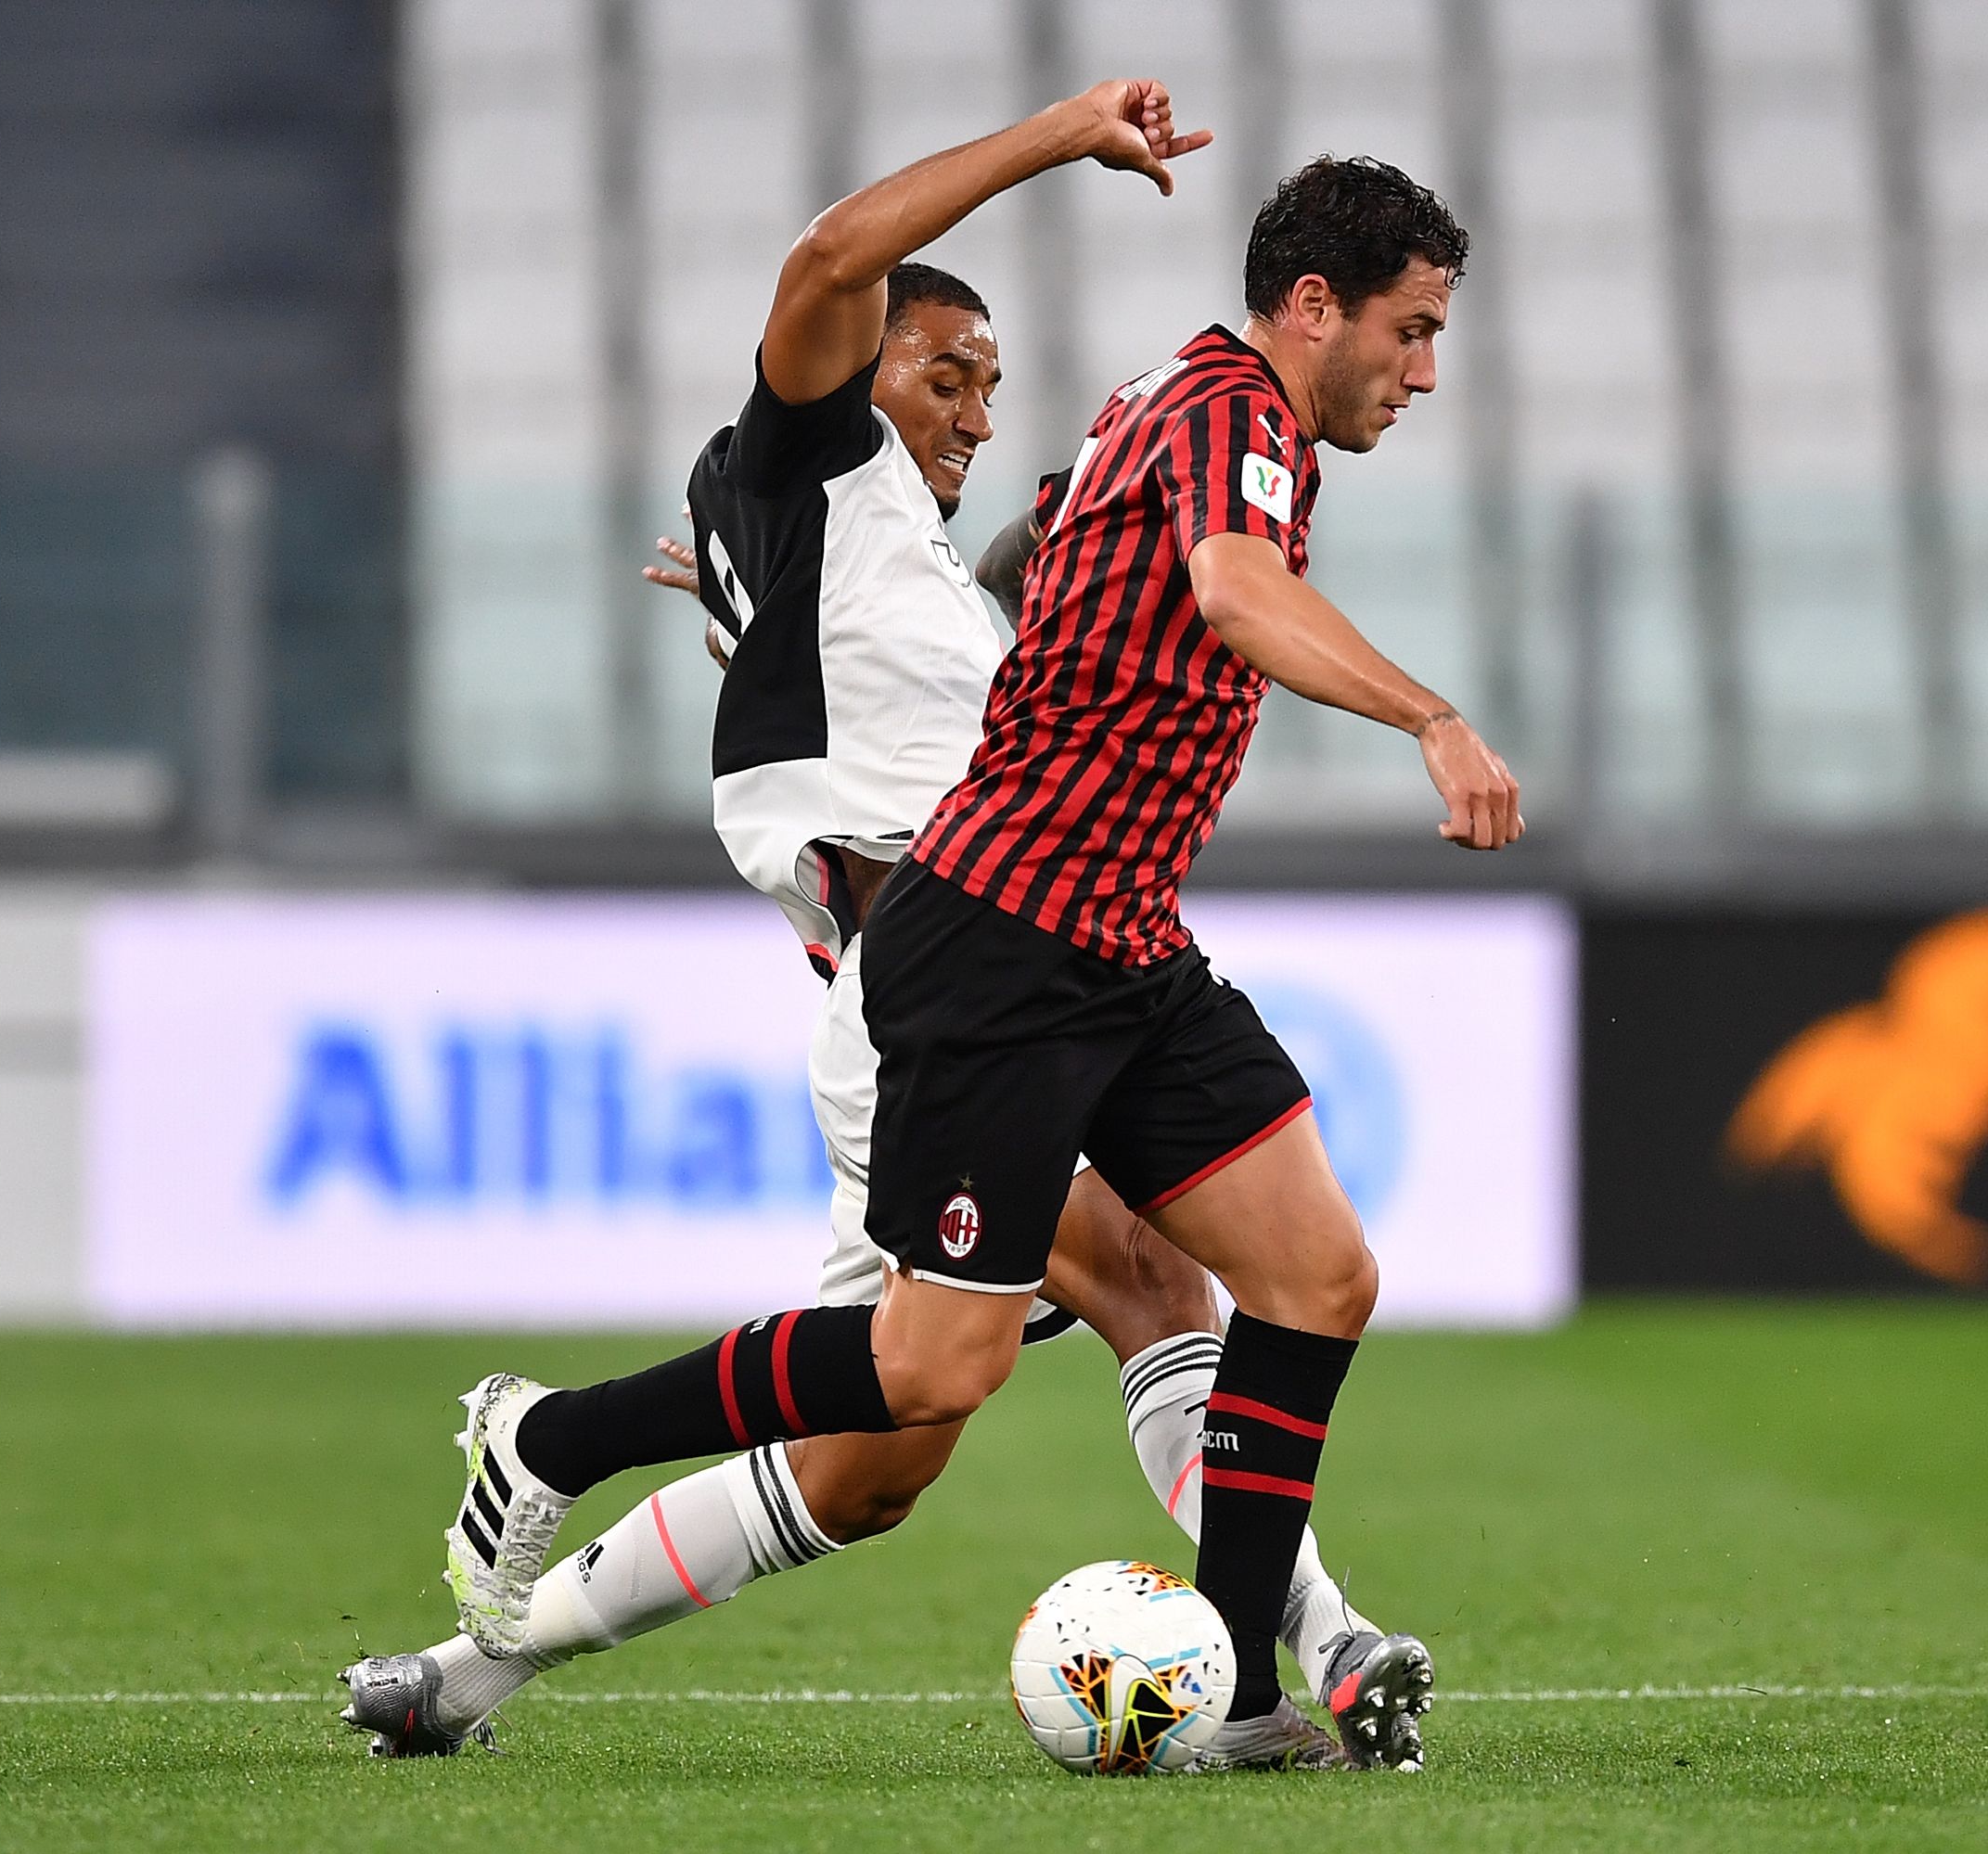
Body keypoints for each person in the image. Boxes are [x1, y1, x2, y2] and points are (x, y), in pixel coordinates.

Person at [402, 148, 1507, 1775]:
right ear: (1316, 304)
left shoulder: (1026, 499)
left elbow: (1059, 597)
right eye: (1411, 334)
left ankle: (1250, 1692)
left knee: (1292, 1284)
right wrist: (1432, 717)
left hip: (1116, 943)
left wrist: (776, 606)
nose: (980, 414)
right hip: (984, 952)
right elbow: (1223, 582)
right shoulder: (895, 447)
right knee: (943, 1369)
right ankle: (549, 1435)